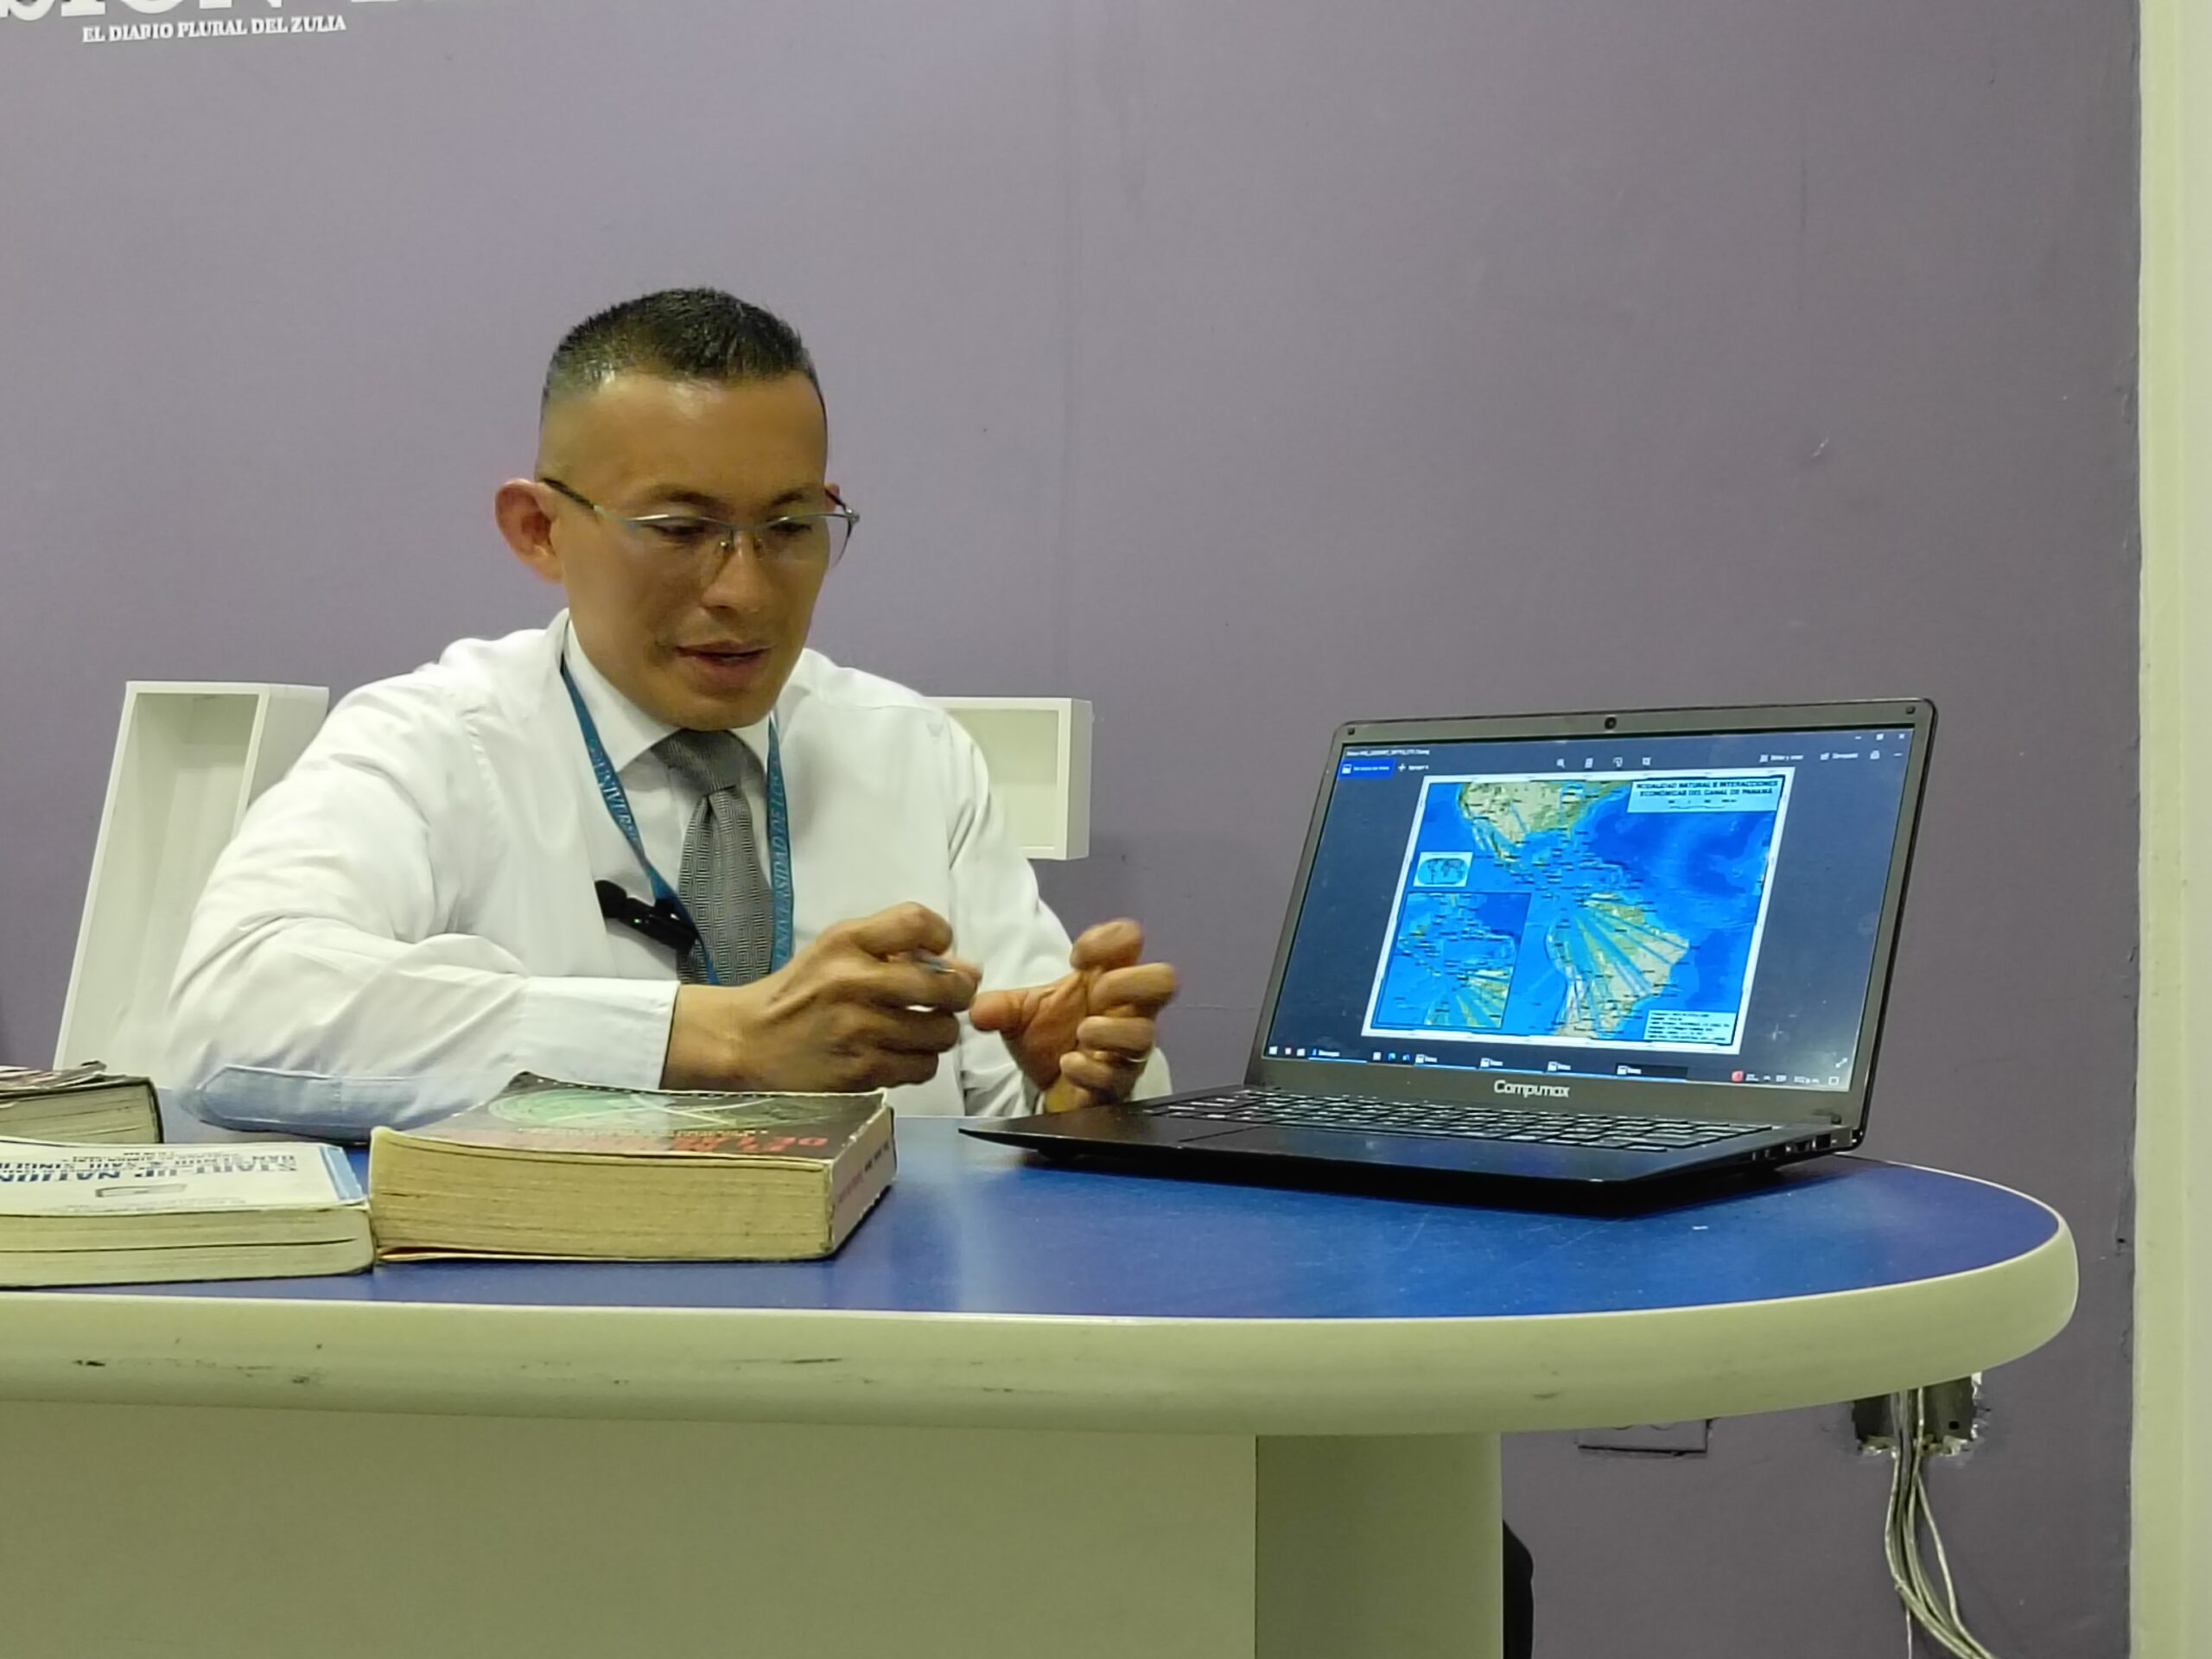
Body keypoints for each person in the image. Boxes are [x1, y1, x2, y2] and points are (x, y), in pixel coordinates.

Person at [165, 288, 1178, 1136]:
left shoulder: (913, 752)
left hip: (883, 1301)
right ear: (539, 529)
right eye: (681, 529)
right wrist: (712, 1040)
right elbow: (232, 1019)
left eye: (789, 527)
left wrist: (1067, 1092)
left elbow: (1011, 1106)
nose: (743, 591)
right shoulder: (433, 741)